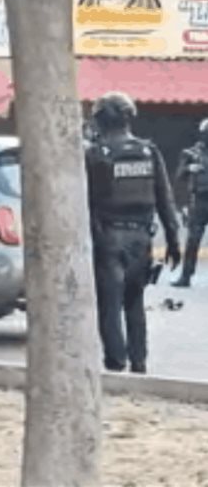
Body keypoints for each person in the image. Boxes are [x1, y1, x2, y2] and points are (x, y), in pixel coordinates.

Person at [85, 91, 181, 374]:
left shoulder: (95, 155)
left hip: (108, 238)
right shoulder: (148, 151)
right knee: (134, 302)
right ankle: (139, 362)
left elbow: (86, 202)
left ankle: (116, 361)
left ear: (101, 119)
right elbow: (165, 198)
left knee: (110, 303)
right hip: (142, 239)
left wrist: (93, 238)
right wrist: (174, 240)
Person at [172, 119, 208, 288]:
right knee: (193, 239)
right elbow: (179, 175)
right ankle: (186, 276)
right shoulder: (191, 153)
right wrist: (189, 168)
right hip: (200, 200)